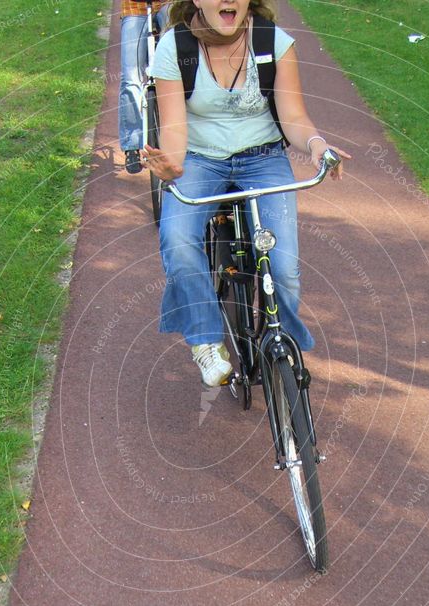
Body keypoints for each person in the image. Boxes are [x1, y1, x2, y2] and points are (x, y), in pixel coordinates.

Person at [142, 0, 350, 386]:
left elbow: (294, 119)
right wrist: (171, 166)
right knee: (177, 237)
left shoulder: (274, 42)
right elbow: (173, 128)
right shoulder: (176, 47)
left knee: (283, 265)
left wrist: (319, 145)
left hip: (264, 158)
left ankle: (283, 341)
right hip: (200, 159)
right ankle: (205, 340)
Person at [118, 0, 170, 173]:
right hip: (135, 7)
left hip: (168, 4)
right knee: (131, 77)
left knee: (179, 63)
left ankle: (188, 133)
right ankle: (132, 144)